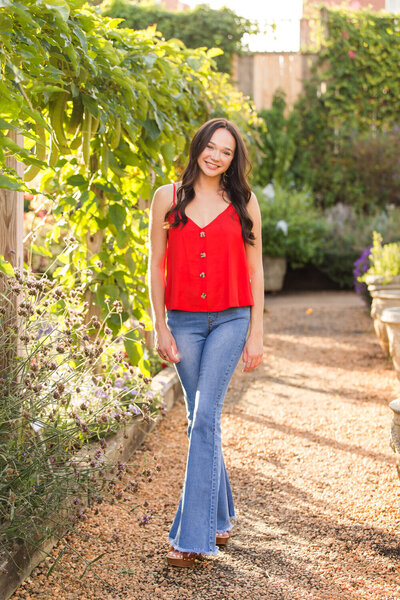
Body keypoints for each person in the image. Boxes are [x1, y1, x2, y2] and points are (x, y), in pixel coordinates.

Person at [148, 117, 264, 567]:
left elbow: (255, 271)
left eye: (226, 152)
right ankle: (220, 517)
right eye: (211, 147)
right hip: (184, 322)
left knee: (204, 418)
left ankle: (191, 536)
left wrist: (256, 333)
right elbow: (155, 266)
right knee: (201, 417)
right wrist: (159, 326)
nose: (216, 156)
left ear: (234, 160)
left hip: (232, 320)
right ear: (198, 146)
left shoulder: (244, 202)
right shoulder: (167, 198)